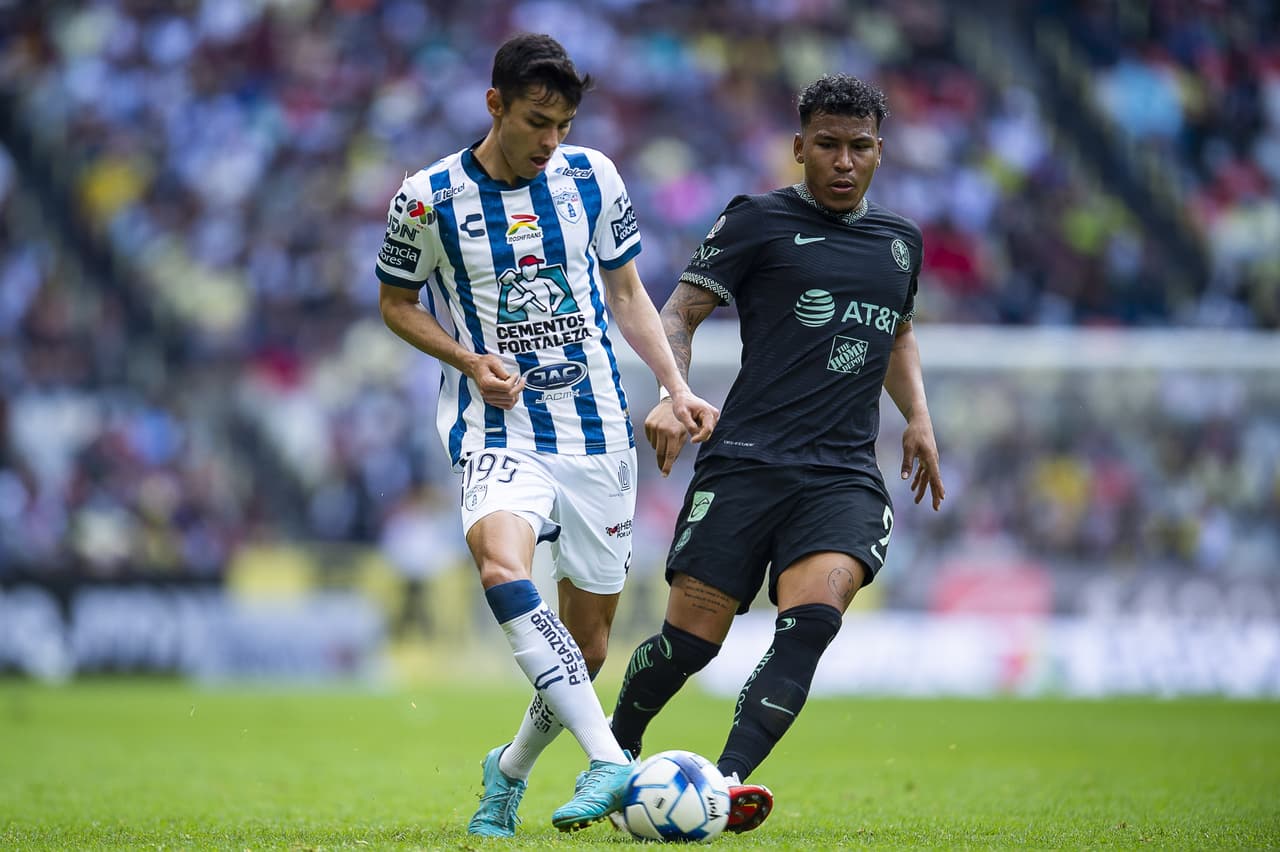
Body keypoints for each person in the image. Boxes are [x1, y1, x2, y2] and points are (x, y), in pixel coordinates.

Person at [374, 33, 719, 836]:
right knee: (501, 565)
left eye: (563, 124)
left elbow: (629, 293)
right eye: (536, 122)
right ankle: (609, 759)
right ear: (495, 105)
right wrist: (466, 357)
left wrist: (674, 386)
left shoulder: (593, 176)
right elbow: (395, 304)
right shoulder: (425, 199)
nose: (550, 141)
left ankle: (508, 770)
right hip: (497, 429)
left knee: (590, 646)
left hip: (596, 432)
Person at [607, 73, 946, 834]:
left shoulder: (900, 243)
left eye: (860, 148)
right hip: (746, 460)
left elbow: (898, 332)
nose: (843, 161)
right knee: (688, 646)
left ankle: (725, 784)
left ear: (881, 152)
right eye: (827, 145)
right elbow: (680, 313)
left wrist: (918, 418)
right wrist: (671, 390)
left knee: (812, 623)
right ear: (799, 147)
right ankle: (615, 751)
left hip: (843, 475)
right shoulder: (756, 221)